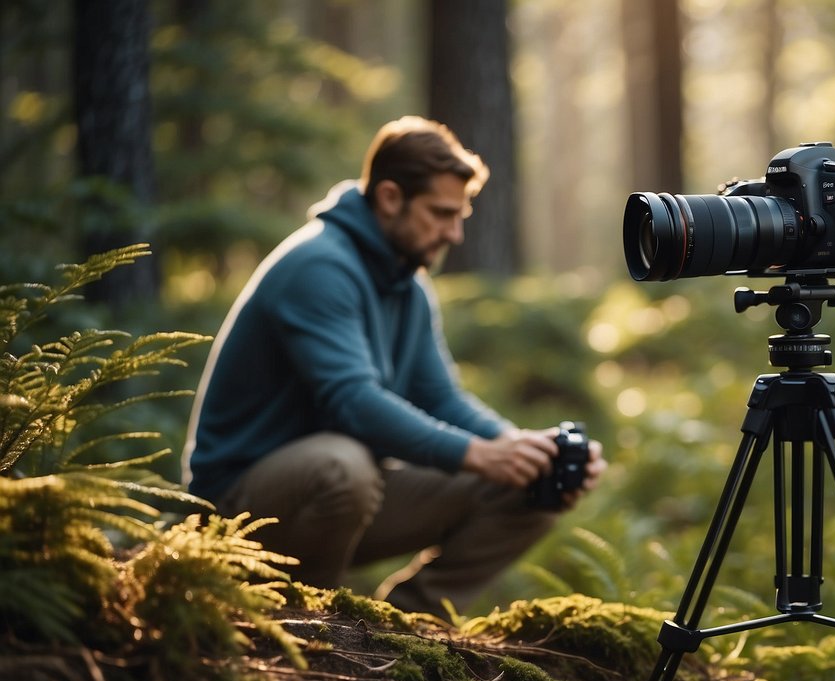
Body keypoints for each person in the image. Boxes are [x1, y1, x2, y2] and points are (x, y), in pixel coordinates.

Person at [183, 116, 605, 619]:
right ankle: (309, 621)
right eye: (441, 213)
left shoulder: (407, 285)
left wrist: (522, 449)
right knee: (342, 465)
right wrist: (477, 454)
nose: (455, 232)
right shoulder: (318, 265)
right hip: (237, 507)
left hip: (338, 493)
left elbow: (442, 399)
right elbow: (353, 402)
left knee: (530, 486)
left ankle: (406, 623)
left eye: (461, 215)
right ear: (389, 197)